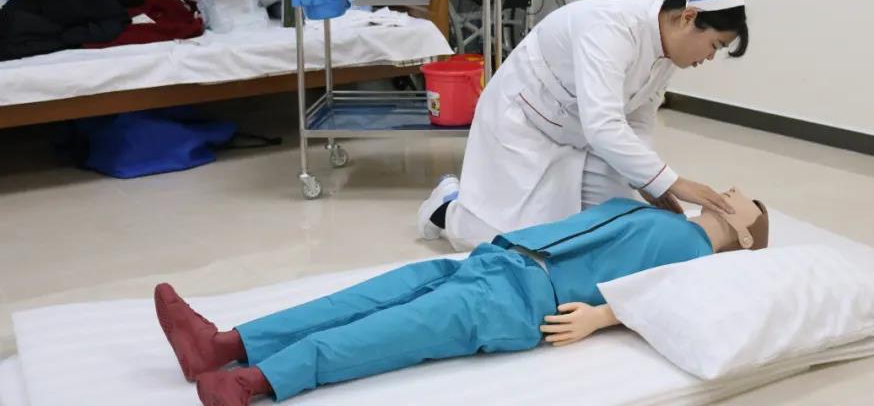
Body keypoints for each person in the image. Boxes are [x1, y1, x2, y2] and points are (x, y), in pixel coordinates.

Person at [157, 188, 766, 405]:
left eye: (745, 200)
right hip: (499, 259)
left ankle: (252, 382)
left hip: (520, 303)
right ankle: (222, 346)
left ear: (744, 234)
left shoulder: (697, 258)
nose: (733, 190)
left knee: (385, 334)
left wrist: (601, 317)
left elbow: (663, 301)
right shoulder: (666, 215)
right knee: (362, 299)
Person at [418, 0, 750, 251]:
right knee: (496, 242)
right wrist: (674, 182)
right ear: (689, 18)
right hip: (524, 123)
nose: (709, 57)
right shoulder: (611, 28)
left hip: (582, 136)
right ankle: (447, 202)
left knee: (612, 228)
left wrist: (650, 182)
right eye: (714, 46)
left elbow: (638, 119)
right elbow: (603, 125)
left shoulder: (666, 54)